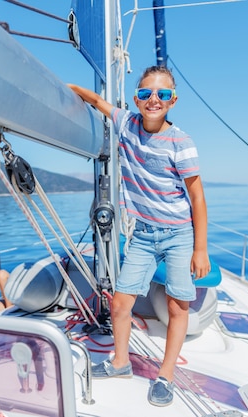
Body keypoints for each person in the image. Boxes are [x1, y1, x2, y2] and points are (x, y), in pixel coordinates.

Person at [68, 66, 210, 407]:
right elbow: (99, 102)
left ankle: (166, 375)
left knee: (178, 307)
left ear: (172, 101)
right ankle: (120, 363)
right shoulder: (126, 123)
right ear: (136, 99)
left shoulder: (182, 143)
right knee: (120, 303)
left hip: (178, 234)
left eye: (162, 95)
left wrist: (200, 249)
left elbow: (197, 198)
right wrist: (69, 88)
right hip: (143, 236)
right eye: (146, 94)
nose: (154, 100)